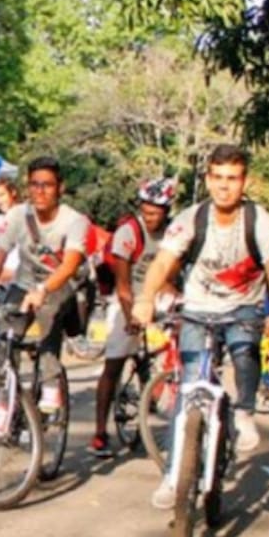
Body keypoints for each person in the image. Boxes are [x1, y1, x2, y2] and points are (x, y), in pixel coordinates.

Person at [133, 144, 269, 509]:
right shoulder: (190, 219)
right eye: (217, 178)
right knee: (188, 390)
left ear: (244, 181)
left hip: (243, 310)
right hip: (198, 311)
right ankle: (174, 478)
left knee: (245, 354)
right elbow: (163, 262)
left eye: (232, 179)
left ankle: (245, 412)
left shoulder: (261, 222)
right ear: (207, 179)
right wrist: (145, 298)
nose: (224, 186)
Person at [0, 156, 89, 412]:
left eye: (47, 185)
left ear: (60, 187)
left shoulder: (74, 221)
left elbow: (69, 265)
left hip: (59, 283)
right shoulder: (18, 215)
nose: (40, 191)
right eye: (34, 184)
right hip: (24, 283)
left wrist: (42, 290)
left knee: (48, 316)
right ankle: (4, 397)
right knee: (4, 333)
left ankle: (51, 385)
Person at [89, 177, 177, 457]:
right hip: (128, 300)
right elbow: (123, 285)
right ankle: (100, 432)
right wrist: (133, 319)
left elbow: (171, 276)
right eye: (146, 212)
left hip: (157, 297)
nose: (150, 218)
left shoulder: (173, 233)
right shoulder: (129, 232)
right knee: (113, 367)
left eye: (156, 213)